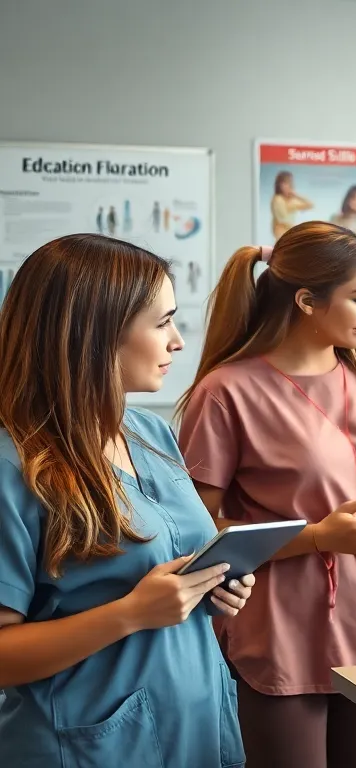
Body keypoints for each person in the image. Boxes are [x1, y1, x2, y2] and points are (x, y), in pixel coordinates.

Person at [176, 221, 356, 768]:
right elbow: (195, 535)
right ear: (307, 301)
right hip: (279, 630)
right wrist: (318, 537)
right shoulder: (227, 392)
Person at [0, 234, 253, 767]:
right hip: (89, 745)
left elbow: (163, 564)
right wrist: (130, 614)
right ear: (94, 333)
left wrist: (208, 586)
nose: (177, 342)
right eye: (162, 323)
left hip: (194, 724)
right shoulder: (12, 465)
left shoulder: (150, 433)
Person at [269, 171, 313, 241]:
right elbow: (282, 219)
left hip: (290, 231)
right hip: (281, 230)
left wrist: (297, 196)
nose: (286, 186)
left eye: (288, 183)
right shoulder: (278, 199)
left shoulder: (293, 200)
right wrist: (297, 229)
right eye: (283, 183)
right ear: (279, 185)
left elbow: (310, 205)